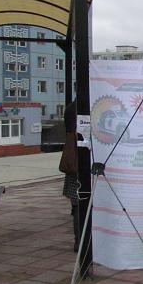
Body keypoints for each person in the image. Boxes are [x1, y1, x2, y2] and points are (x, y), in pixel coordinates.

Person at [60, 100, 80, 250]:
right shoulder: (84, 107)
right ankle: (82, 241)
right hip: (82, 162)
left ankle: (78, 241)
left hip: (73, 162)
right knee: (83, 206)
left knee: (77, 206)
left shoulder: (70, 108)